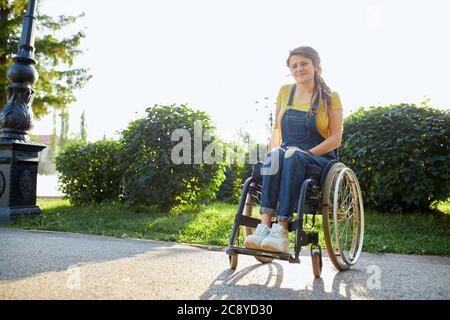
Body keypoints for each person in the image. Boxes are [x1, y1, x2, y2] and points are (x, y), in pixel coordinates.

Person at [244, 46, 343, 253]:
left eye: (304, 64)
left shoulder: (330, 97)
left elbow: (335, 139)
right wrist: (272, 154)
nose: (299, 69)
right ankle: (264, 226)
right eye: (294, 65)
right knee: (278, 154)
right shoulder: (284, 92)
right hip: (288, 154)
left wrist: (305, 153)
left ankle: (281, 229)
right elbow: (277, 130)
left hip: (320, 158)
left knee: (292, 155)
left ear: (316, 66)